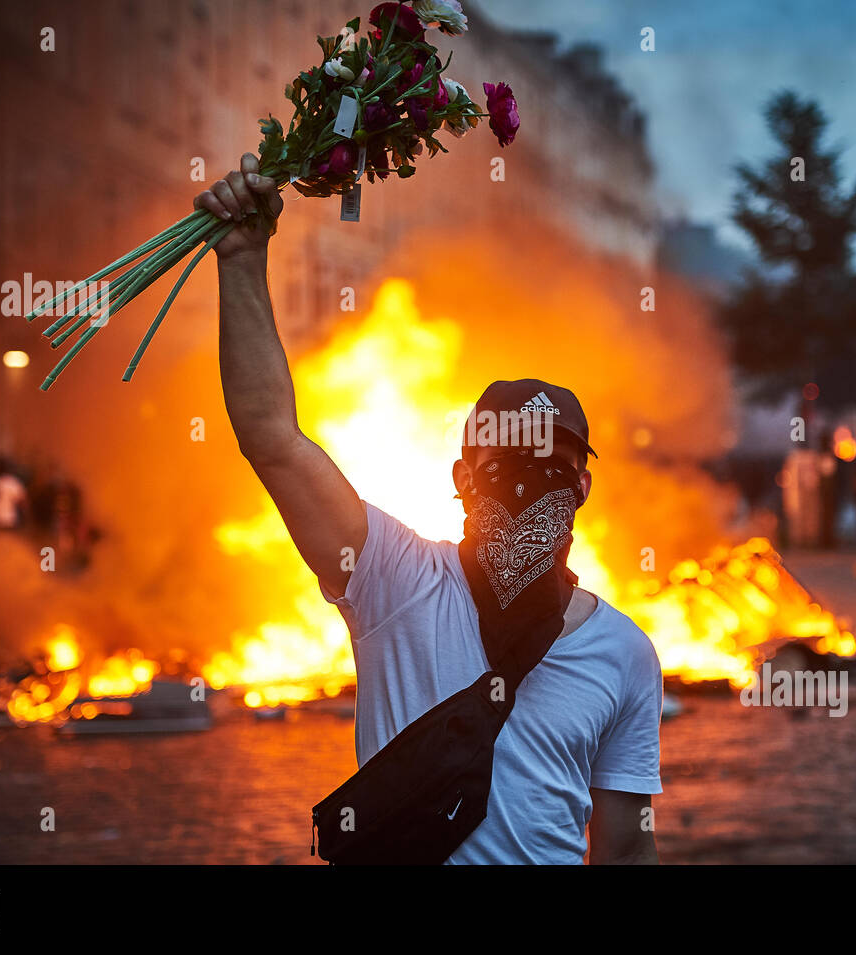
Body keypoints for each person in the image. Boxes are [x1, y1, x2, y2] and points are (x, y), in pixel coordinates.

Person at [201, 154, 663, 865]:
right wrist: (240, 260)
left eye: (551, 470)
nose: (526, 488)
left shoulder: (624, 653)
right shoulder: (392, 578)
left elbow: (626, 851)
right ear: (461, 478)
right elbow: (272, 440)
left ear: (582, 487)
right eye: (506, 467)